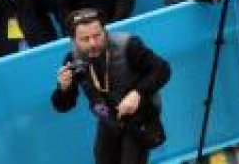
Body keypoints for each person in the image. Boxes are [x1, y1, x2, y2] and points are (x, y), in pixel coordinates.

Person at [51, 9, 171, 164]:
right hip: (107, 119)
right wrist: (63, 89)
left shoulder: (128, 46)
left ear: (104, 30)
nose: (93, 43)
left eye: (97, 35)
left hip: (138, 116)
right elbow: (63, 106)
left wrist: (137, 93)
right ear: (73, 40)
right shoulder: (72, 60)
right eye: (85, 39)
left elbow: (163, 69)